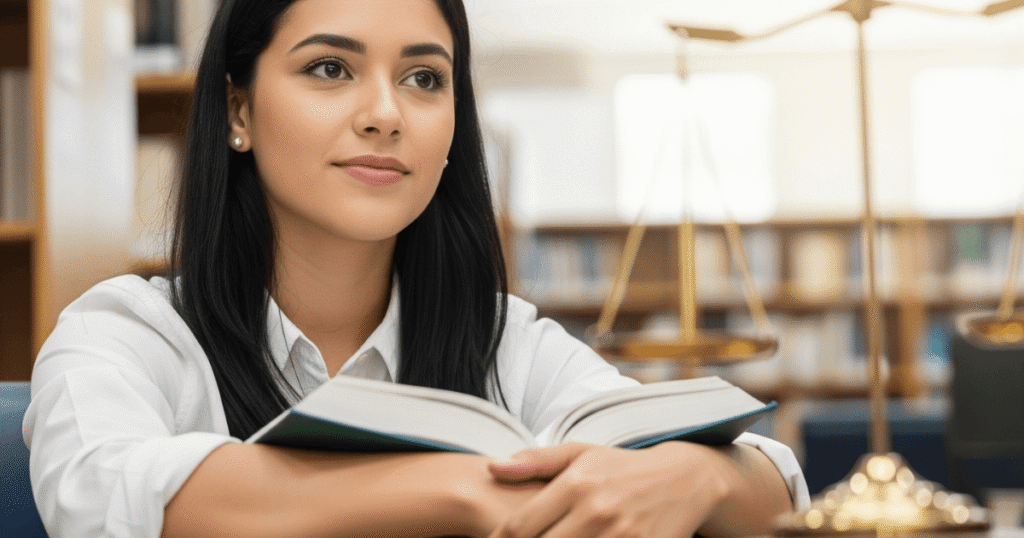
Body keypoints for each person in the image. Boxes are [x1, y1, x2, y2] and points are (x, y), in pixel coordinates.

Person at [22, 0, 809, 536]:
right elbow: (104, 490)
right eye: (330, 68)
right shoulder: (128, 334)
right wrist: (459, 490)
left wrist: (695, 476)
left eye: (424, 78)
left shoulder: (506, 342)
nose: (384, 113)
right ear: (238, 111)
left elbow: (773, 485)